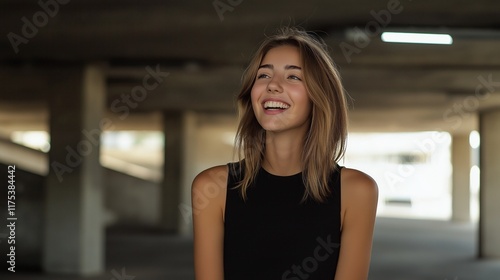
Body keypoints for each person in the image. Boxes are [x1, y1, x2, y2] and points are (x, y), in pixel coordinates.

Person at [192, 27, 378, 280]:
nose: (273, 86)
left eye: (293, 77)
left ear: (319, 96)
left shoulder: (357, 190)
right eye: (264, 75)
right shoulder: (211, 187)